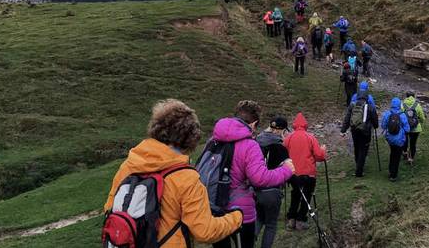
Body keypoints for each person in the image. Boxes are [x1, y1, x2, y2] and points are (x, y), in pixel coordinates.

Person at [104, 99, 243, 248]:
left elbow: (109, 208)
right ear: (191, 138)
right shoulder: (186, 177)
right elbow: (204, 231)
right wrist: (236, 217)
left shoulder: (129, 165)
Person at [210, 101, 295, 248]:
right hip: (240, 207)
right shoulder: (249, 144)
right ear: (254, 123)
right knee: (267, 225)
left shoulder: (214, 140)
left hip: (214, 204)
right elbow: (259, 178)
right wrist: (286, 170)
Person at [284, 113, 327, 231]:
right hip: (308, 173)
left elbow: (283, 154)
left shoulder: (289, 138)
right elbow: (319, 156)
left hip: (292, 173)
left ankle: (291, 218)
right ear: (305, 125)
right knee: (306, 195)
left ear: (294, 125)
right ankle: (301, 220)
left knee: (296, 194)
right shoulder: (310, 137)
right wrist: (323, 150)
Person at [255, 117, 290, 248]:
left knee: (259, 218)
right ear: (279, 130)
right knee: (271, 224)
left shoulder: (256, 142)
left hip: (256, 188)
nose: (284, 134)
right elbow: (288, 170)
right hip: (272, 190)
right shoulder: (280, 147)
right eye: (284, 131)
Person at [340, 82, 378, 177]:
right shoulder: (369, 102)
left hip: (354, 129)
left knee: (356, 147)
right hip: (365, 130)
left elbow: (348, 117)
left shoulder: (353, 101)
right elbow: (374, 118)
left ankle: (358, 164)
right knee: (363, 149)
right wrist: (375, 125)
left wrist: (343, 130)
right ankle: (359, 171)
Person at [380, 98, 410, 182]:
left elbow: (383, 126)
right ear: (399, 104)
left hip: (390, 139)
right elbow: (407, 129)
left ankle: (390, 171)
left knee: (392, 153)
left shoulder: (387, 114)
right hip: (399, 139)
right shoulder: (402, 115)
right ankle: (393, 175)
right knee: (397, 157)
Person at [402, 92, 426, 164]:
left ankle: (405, 153)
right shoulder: (417, 105)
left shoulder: (403, 104)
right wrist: (421, 121)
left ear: (406, 96)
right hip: (416, 128)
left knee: (405, 141)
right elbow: (422, 117)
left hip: (405, 127)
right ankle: (411, 158)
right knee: (413, 143)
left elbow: (400, 115)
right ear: (414, 96)